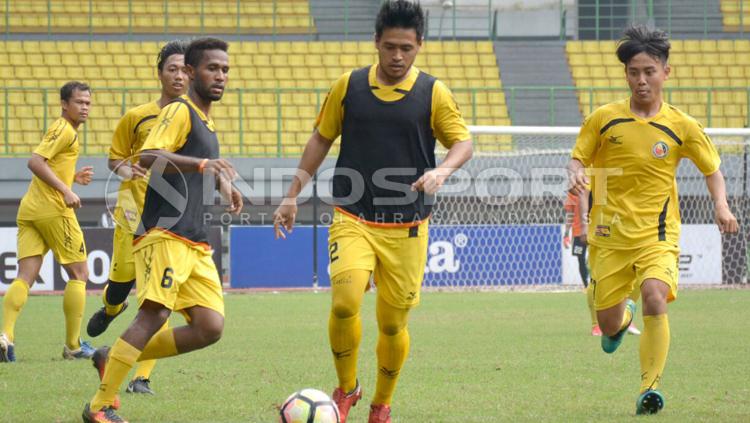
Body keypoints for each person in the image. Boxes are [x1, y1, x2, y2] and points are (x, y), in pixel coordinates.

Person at [273, 2, 472, 422]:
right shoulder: (349, 86)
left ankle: (381, 403)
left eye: (406, 48)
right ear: (375, 44)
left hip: (408, 226)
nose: (397, 57)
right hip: (353, 215)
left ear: (419, 45)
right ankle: (346, 389)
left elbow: (463, 143)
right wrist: (291, 194)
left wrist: (442, 170)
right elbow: (320, 139)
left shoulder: (433, 92)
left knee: (392, 325)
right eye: (389, 47)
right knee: (345, 302)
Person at [568, 25, 739, 415]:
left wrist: (721, 205)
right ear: (626, 75)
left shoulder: (682, 126)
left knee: (655, 295)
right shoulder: (603, 119)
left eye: (649, 71)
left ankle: (651, 388)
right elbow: (577, 157)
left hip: (657, 235)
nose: (641, 80)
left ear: (666, 72)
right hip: (608, 236)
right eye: (633, 72)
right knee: (610, 325)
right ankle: (619, 320)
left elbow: (712, 169)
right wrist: (575, 171)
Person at [82, 37, 243, 423]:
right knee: (153, 313)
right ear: (189, 73)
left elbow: (196, 166)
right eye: (211, 68)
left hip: (194, 240)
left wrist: (222, 183)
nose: (220, 75)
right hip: (165, 233)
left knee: (209, 326)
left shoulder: (205, 119)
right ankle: (100, 406)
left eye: (224, 69)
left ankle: (112, 355)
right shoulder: (179, 111)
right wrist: (205, 166)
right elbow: (150, 157)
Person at [85, 40, 189, 396]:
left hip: (168, 220)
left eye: (184, 69)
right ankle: (112, 307)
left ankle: (140, 377)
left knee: (159, 298)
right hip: (132, 211)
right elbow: (114, 158)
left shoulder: (195, 118)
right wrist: (126, 169)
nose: (178, 76)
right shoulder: (137, 116)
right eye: (172, 68)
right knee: (121, 282)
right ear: (160, 73)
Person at [0, 81, 95, 363]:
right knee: (79, 274)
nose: (85, 107)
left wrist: (72, 178)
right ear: (65, 104)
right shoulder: (64, 129)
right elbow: (36, 162)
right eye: (79, 102)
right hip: (53, 210)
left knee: (24, 276)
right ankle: (73, 346)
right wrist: (66, 190)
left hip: (30, 209)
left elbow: (49, 164)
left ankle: (6, 337)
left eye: (88, 103)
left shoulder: (65, 130)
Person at [564, 188, 641, 337]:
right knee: (593, 273)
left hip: (620, 228)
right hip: (592, 230)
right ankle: (596, 325)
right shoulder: (593, 174)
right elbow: (572, 209)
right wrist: (568, 232)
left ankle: (626, 317)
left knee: (633, 271)